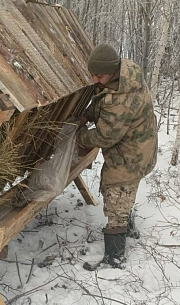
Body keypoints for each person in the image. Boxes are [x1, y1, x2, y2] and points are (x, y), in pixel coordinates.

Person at [76, 43, 158, 270]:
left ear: (111, 71)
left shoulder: (123, 98)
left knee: (116, 193)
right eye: (92, 74)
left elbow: (104, 137)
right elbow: (103, 100)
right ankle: (129, 228)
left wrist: (79, 136)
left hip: (130, 155)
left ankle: (114, 258)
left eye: (98, 75)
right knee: (125, 192)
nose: (94, 80)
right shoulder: (121, 79)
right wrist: (87, 115)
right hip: (139, 147)